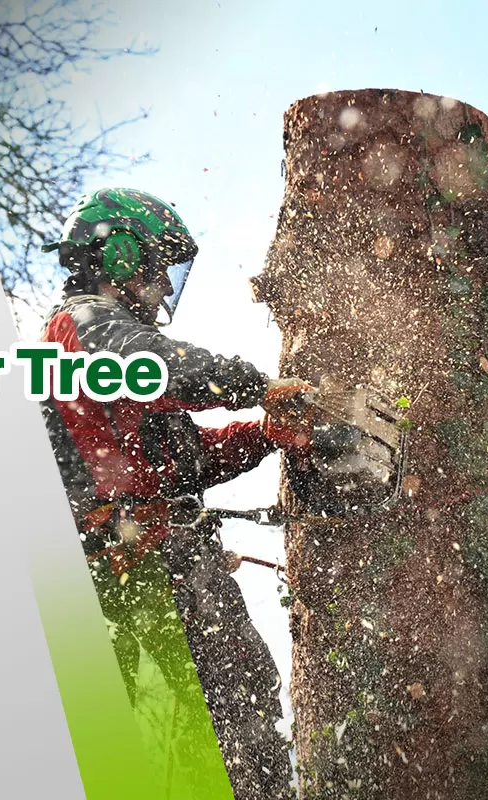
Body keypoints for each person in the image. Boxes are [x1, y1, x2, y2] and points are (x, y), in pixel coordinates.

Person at [36, 187, 354, 799]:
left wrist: (263, 432)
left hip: (151, 552)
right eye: (158, 270)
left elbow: (185, 463)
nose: (162, 290)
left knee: (224, 703)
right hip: (131, 558)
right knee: (231, 700)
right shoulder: (82, 323)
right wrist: (256, 383)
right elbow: (159, 365)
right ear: (121, 256)